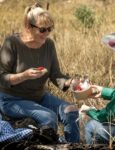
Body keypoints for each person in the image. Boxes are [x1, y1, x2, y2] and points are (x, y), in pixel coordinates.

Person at [0, 3, 80, 143]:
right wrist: (24, 75)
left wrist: (71, 83)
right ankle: (48, 145)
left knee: (71, 110)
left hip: (39, 96)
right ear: (29, 27)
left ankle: (72, 145)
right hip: (11, 99)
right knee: (48, 117)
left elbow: (56, 75)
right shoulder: (12, 43)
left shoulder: (49, 44)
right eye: (42, 30)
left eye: (50, 29)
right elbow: (2, 77)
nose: (47, 33)